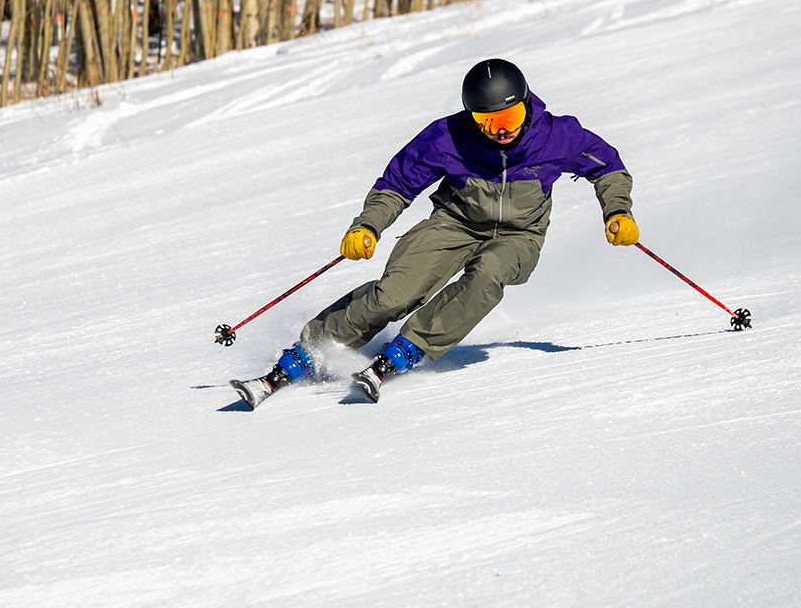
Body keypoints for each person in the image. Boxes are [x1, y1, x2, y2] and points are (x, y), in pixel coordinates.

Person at [230, 58, 638, 409]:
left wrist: (617, 211)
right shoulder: (447, 138)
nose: (501, 130)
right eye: (488, 121)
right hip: (453, 223)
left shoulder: (557, 136)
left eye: (509, 118)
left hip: (519, 235)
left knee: (489, 271)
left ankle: (412, 346)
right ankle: (310, 349)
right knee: (395, 293)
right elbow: (397, 183)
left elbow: (608, 167)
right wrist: (367, 225)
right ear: (472, 116)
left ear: (527, 105)